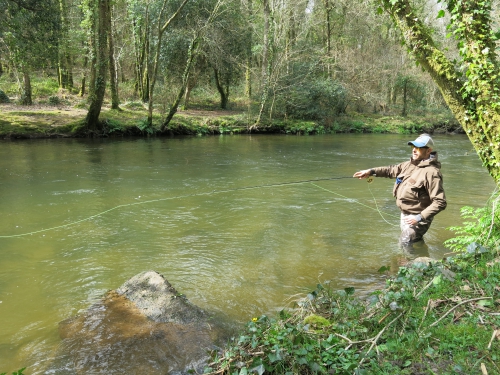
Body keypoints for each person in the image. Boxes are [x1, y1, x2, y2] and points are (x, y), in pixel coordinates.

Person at [353, 134, 447, 244]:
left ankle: (412, 260)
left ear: (428, 151)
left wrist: (419, 217)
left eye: (419, 148)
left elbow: (440, 202)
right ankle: (421, 257)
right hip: (405, 215)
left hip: (419, 218)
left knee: (404, 242)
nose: (414, 150)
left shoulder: (432, 172)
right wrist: (370, 171)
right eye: (413, 147)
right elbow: (390, 170)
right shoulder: (408, 165)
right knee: (414, 241)